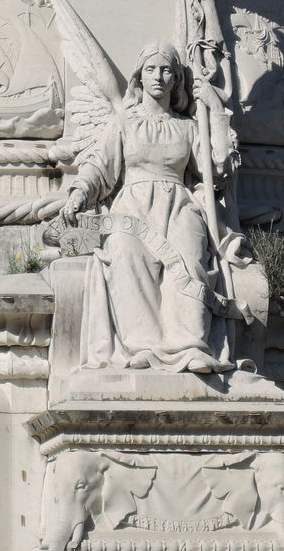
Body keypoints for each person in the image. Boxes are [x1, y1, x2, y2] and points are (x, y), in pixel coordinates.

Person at [60, 45, 236, 374]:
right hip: (132, 208)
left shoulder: (188, 127)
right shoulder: (124, 123)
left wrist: (215, 110)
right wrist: (79, 194)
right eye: (151, 69)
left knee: (190, 259)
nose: (158, 76)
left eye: (167, 70)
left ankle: (190, 344)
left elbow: (217, 168)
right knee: (125, 253)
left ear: (177, 79)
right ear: (139, 76)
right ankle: (143, 344)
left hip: (178, 205)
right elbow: (100, 167)